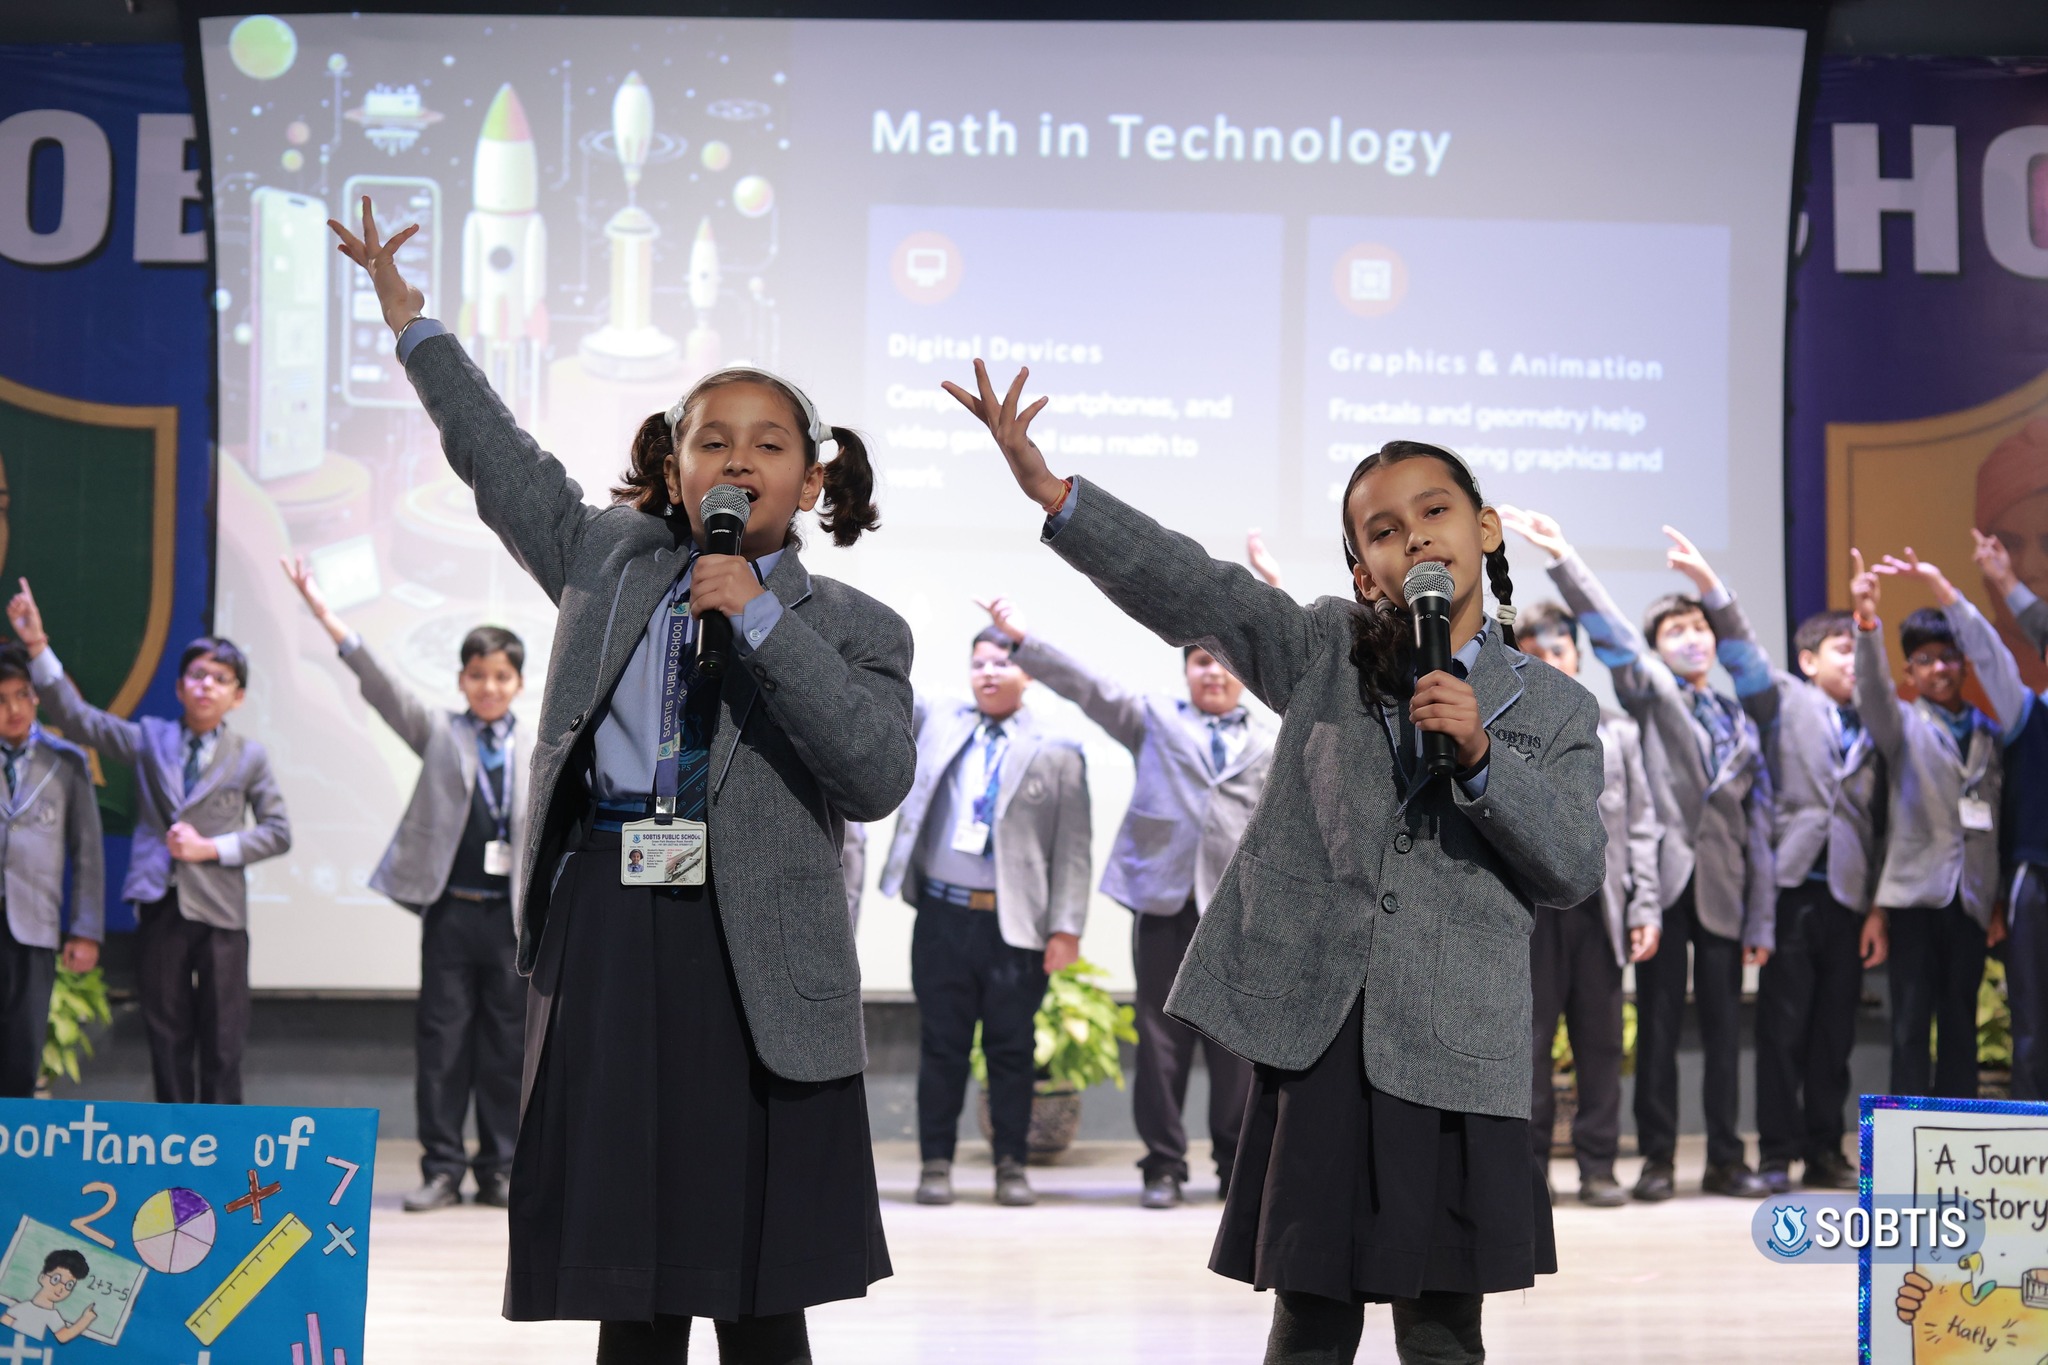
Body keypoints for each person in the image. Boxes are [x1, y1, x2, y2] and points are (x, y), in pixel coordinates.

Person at [334, 198, 907, 1364]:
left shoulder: (858, 626)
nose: (736, 460)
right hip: (611, 913)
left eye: (767, 444)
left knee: (758, 1281)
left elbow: (872, 773)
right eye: (710, 441)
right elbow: (496, 455)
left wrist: (759, 623)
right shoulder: (607, 558)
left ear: (810, 480)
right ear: (671, 466)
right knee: (626, 1267)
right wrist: (412, 326)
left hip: (757, 944)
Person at [950, 359, 1604, 1365]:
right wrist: (1057, 496)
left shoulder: (1554, 707)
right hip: (1323, 1037)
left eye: (1434, 510)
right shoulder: (1325, 649)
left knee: (1443, 1335)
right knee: (1309, 1322)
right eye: (1382, 529)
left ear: (1484, 529)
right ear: (1363, 572)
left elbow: (1571, 864)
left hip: (1455, 1051)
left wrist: (1480, 755)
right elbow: (1194, 586)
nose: (1413, 536)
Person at [1502, 509, 1775, 1201]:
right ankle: (1625, 1161)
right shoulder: (1643, 699)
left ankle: (1702, 1158)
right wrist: (1563, 556)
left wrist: (1745, 910)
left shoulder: (1729, 718)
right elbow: (1616, 636)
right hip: (1588, 896)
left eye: (1700, 627)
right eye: (1675, 631)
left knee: (1693, 1035)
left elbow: (1716, 821)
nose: (1693, 639)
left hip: (1683, 892)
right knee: (1629, 1033)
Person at [977, 592, 1271, 1210]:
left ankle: (1233, 1165)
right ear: (1186, 670)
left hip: (1236, 911)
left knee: (1235, 1046)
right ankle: (1162, 1166)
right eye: (1202, 662)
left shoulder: (1271, 736)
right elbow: (1090, 688)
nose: (1214, 673)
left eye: (1225, 665)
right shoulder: (1153, 718)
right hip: (1164, 903)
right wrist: (1023, 643)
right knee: (1161, 1043)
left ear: (1243, 677)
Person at [283, 557, 530, 1213]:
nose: (488, 686)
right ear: (462, 679)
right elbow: (380, 684)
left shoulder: (538, 748)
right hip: (450, 915)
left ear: (518, 682)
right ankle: (442, 1169)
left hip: (511, 923)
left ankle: (500, 1169)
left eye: (501, 676)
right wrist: (321, 609)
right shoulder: (440, 730)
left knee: (506, 1049)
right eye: (477, 675)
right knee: (442, 1047)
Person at [8, 590, 291, 1106]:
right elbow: (79, 718)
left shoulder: (249, 756)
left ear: (238, 696)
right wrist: (37, 644)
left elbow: (278, 831)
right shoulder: (151, 739)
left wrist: (211, 848)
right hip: (161, 905)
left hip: (221, 912)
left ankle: (222, 1143)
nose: (207, 686)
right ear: (180, 686)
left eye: (221, 679)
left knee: (224, 1040)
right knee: (167, 1036)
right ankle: (176, 1142)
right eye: (197, 675)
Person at [877, 625, 1090, 1209]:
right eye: (979, 664)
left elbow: (1073, 850)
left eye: (1001, 662)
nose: (989, 673)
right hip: (942, 917)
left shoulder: (1057, 748)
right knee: (941, 1046)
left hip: (1015, 926)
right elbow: (894, 690)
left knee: (1011, 1050)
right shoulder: (941, 720)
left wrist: (1066, 928)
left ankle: (1010, 1167)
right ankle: (936, 1164)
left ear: (1027, 672)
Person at [1726, 595, 1888, 1193]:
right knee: (1782, 1031)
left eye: (1859, 652)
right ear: (1808, 660)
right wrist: (1713, 589)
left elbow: (1883, 822)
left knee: (1834, 1034)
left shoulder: (1876, 721)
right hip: (1791, 893)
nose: (1854, 662)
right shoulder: (1787, 700)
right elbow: (1743, 653)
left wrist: (1877, 906)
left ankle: (1825, 1150)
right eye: (1843, 650)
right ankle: (1776, 1152)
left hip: (1847, 897)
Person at [1850, 547, 2021, 1099]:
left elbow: (2001, 821)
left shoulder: (1991, 731)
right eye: (1925, 660)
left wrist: (1997, 899)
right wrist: (1867, 624)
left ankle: (1958, 1136)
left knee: (1960, 1025)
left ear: (1964, 664)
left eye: (1948, 657)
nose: (1939, 668)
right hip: (1914, 898)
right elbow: (1871, 693)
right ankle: (1901, 1141)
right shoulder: (1900, 724)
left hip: (1972, 899)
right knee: (1909, 1026)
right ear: (1910, 672)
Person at [1512, 601, 1663, 1209]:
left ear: (1576, 654)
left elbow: (1642, 826)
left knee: (1600, 1043)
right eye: (1535, 653)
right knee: (1528, 1042)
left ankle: (1598, 1167)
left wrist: (1645, 907)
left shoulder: (1618, 731)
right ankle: (1529, 1173)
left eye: (1559, 650)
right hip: (1531, 910)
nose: (1549, 661)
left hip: (1599, 908)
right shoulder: (1504, 725)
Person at [0, 641, 103, 1099]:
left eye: (22, 695)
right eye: (1, 700)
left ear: (36, 696)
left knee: (22, 1053)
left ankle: (11, 1142)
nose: (13, 709)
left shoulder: (67, 762)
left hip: (33, 925)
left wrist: (85, 930)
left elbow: (88, 853)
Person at [1976, 529, 2048, 1099]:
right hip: (2036, 877)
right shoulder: (2029, 713)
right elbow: (1989, 656)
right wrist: (2001, 581)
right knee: (2032, 1018)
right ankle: (2033, 1135)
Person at [0, 1249, 98, 1344]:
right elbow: (5, 1323)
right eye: (56, 1279)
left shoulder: (51, 1315)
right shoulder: (23, 1307)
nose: (61, 1288)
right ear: (42, 1277)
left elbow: (63, 1336)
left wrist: (86, 1319)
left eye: (69, 1285)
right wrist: (86, 1319)